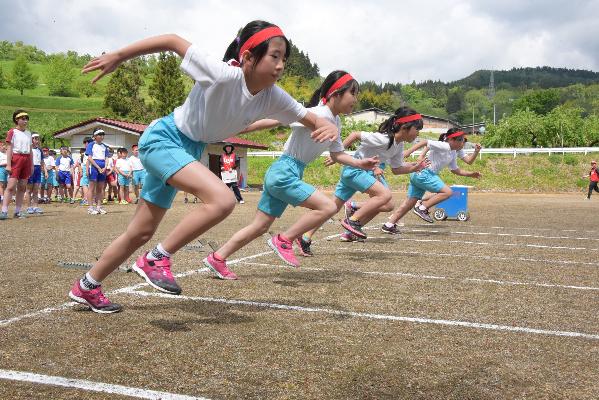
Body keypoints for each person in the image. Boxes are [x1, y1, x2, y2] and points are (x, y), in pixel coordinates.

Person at [68, 21, 339, 313]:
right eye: (274, 56)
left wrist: (328, 127)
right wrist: (118, 55)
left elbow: (313, 118)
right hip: (164, 140)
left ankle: (87, 285)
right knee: (222, 199)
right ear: (248, 56)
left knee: (140, 232)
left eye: (284, 59)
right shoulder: (222, 74)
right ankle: (157, 258)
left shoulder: (274, 96)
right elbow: (172, 40)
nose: (280, 65)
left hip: (189, 149)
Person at [203, 71, 378, 278]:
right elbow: (276, 120)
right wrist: (239, 128)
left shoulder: (335, 122)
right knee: (328, 206)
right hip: (284, 171)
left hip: (287, 172)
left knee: (259, 226)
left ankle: (218, 258)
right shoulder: (319, 114)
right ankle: (284, 240)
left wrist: (359, 162)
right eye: (353, 93)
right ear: (336, 93)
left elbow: (337, 154)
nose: (355, 99)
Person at [300, 107, 428, 251]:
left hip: (359, 173)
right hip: (355, 171)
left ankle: (305, 236)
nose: (418, 133)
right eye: (417, 129)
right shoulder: (384, 138)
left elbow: (397, 169)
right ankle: (353, 221)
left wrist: (414, 168)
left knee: (332, 208)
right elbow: (355, 134)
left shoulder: (398, 144)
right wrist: (337, 154)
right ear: (405, 127)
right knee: (385, 196)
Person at [384, 128, 482, 230]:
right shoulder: (445, 145)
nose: (463, 143)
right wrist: (409, 152)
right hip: (424, 173)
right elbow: (425, 142)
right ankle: (422, 207)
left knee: (409, 203)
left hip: (418, 173)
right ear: (452, 140)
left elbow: (455, 170)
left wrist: (471, 174)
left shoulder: (453, 152)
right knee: (447, 192)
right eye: (462, 140)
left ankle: (389, 225)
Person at [1, 110, 33, 220]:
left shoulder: (29, 133)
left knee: (22, 186)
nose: (25, 121)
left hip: (26, 159)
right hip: (16, 158)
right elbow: (9, 148)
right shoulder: (12, 132)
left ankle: (17, 211)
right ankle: (4, 211)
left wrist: (32, 165)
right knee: (10, 186)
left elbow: (30, 150)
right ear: (17, 120)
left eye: (26, 118)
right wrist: (8, 164)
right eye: (23, 119)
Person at [85, 128, 110, 215]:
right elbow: (89, 158)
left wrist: (105, 167)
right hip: (94, 168)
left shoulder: (104, 146)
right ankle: (91, 208)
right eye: (100, 135)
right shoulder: (91, 145)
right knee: (91, 188)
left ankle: (99, 207)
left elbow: (107, 157)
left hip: (103, 169)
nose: (102, 137)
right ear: (95, 136)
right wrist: (98, 167)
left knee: (100, 188)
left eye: (103, 135)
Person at [26, 133, 46, 214]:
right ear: (31, 140)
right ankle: (29, 207)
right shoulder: (28, 149)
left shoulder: (39, 150)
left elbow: (42, 161)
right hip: (30, 169)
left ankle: (35, 206)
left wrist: (45, 170)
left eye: (38, 139)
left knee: (36, 189)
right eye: (35, 139)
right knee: (29, 190)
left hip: (38, 170)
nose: (37, 141)